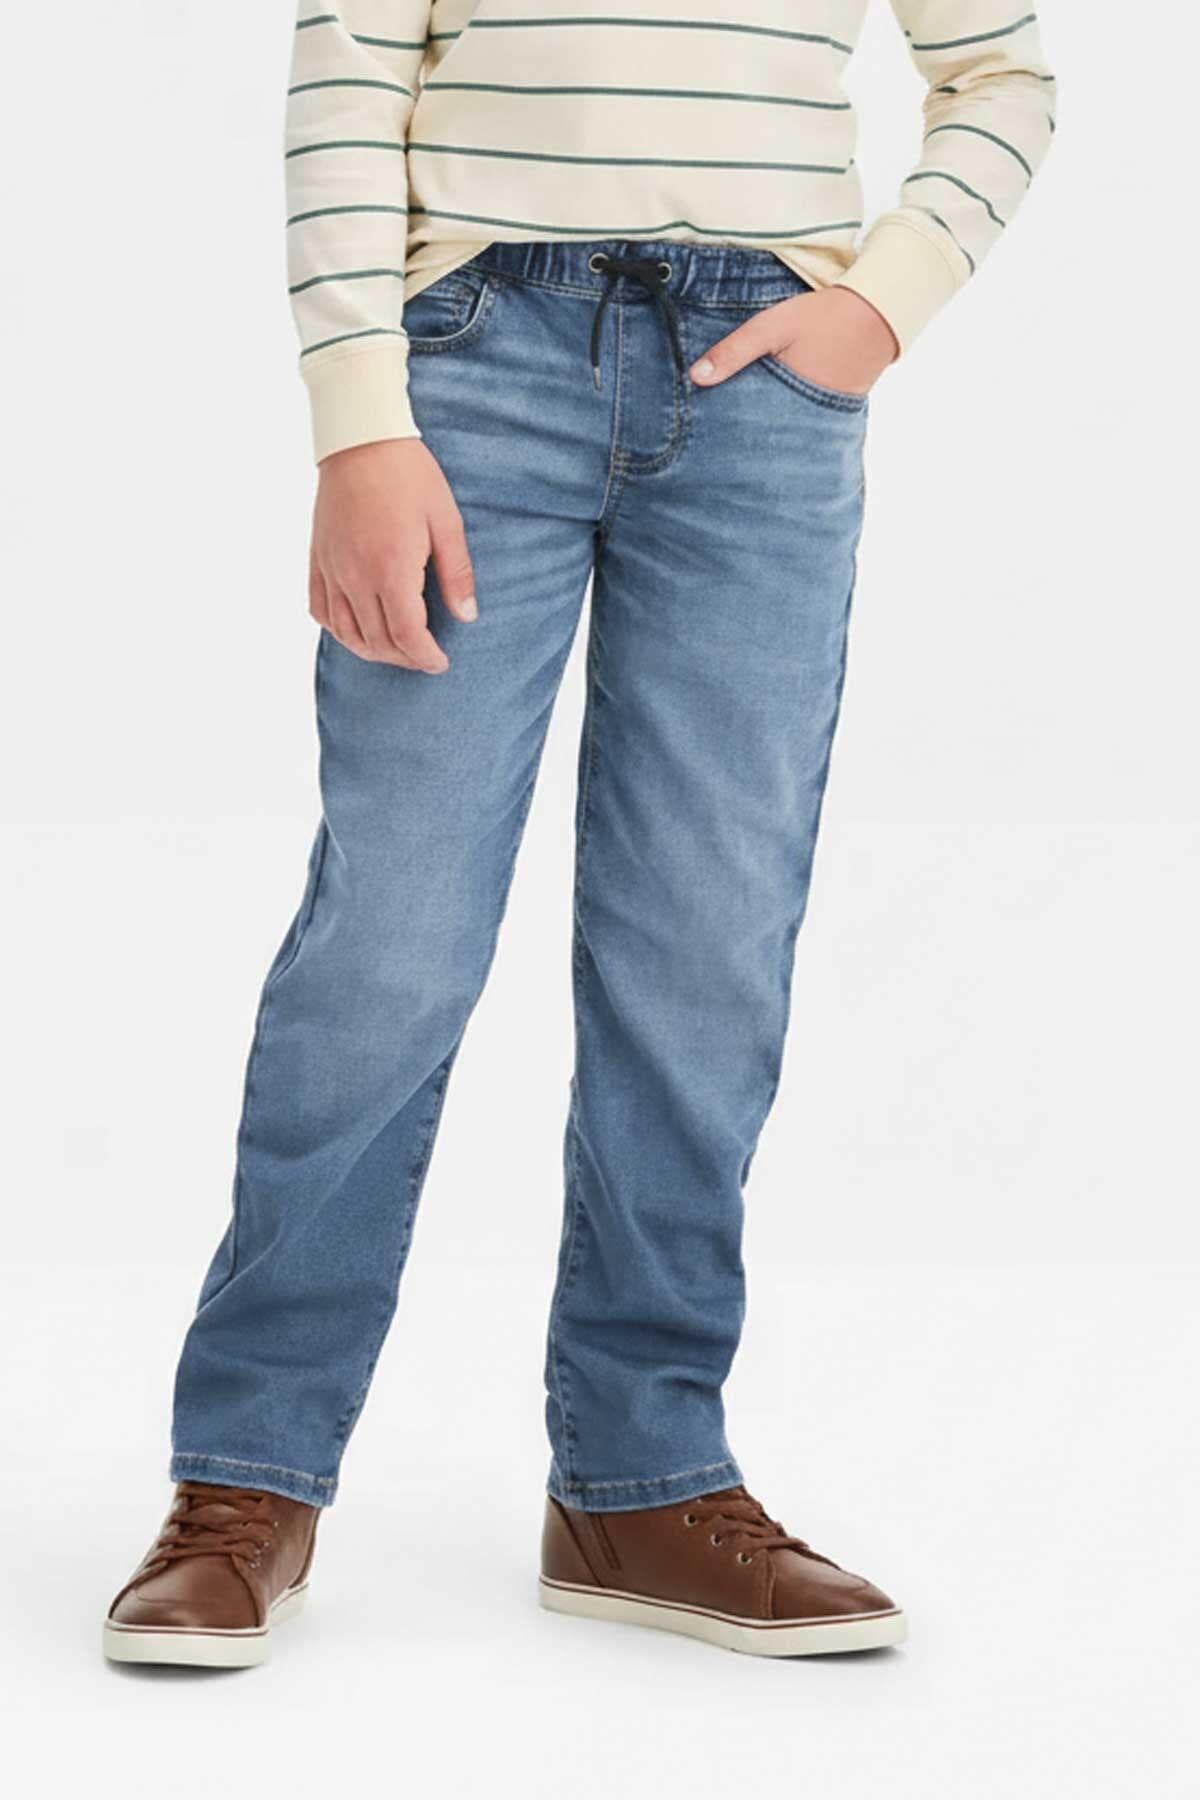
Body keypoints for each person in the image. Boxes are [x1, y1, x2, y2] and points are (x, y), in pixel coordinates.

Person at [104, 2, 1055, 1668]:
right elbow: (352, 64)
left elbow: (1004, 72)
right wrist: (358, 419)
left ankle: (640, 1478)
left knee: (707, 944)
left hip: (766, 380)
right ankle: (248, 1471)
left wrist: (878, 307)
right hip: (476, 361)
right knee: (391, 941)